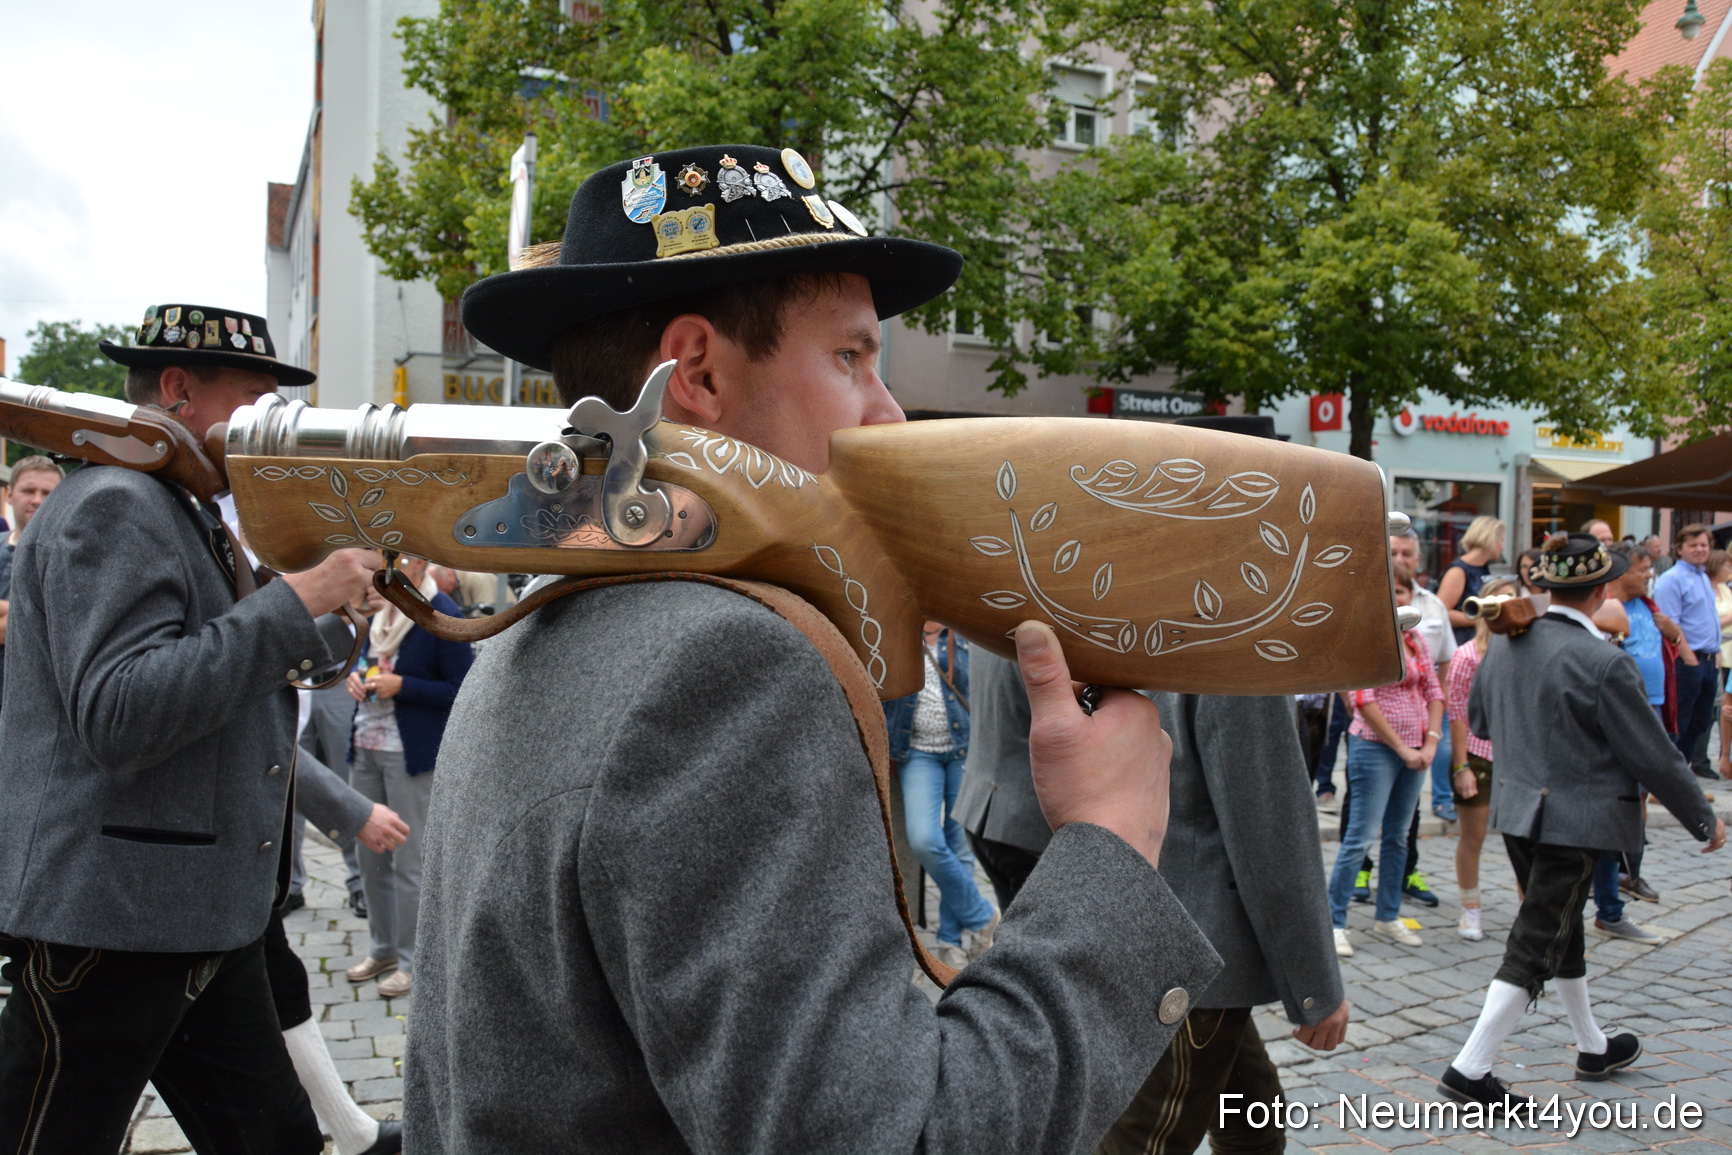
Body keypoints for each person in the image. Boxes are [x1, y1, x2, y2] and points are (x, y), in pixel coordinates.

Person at [404, 144, 1220, 1150]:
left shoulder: (546, 620)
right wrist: (1110, 841)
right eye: (850, 357)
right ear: (695, 371)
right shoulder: (721, 667)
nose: (889, 410)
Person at [0, 304, 380, 1150]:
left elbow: (233, 667)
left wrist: (338, 613)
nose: (273, 426)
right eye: (255, 400)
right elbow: (122, 711)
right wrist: (297, 597)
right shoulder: (116, 503)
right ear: (178, 390)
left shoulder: (182, 505)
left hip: (202, 915)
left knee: (276, 1138)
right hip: (116, 918)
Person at [1095, 413, 1350, 1155]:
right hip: (1191, 944)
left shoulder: (1119, 600)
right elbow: (1268, 830)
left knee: (1253, 1116)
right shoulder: (1235, 633)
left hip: (1146, 919)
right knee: (1147, 1138)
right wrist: (1314, 983)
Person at [1441, 533, 1724, 1107]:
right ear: (1600, 591)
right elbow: (1653, 755)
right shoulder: (1602, 660)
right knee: (1537, 940)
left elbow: (1481, 722)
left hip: (1519, 809)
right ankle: (1470, 1069)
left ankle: (1592, 1045)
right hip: (1576, 821)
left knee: (1560, 932)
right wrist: (1703, 818)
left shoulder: (1505, 645)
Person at [344, 556, 472, 1000]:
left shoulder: (443, 616)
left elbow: (463, 692)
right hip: (367, 746)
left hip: (410, 755)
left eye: (395, 561)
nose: (386, 571)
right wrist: (357, 681)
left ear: (419, 564)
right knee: (368, 857)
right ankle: (380, 948)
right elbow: (366, 664)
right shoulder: (383, 611)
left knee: (407, 862)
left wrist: (405, 687)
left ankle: (412, 961)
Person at [1327, 575, 1443, 956]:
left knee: (1398, 835)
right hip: (1376, 748)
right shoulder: (1371, 640)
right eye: (1393, 595)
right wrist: (1403, 749)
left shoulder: (1417, 640)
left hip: (1417, 748)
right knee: (1360, 835)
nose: (1401, 602)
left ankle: (1387, 914)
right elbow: (1363, 698)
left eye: (1406, 595)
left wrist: (1430, 741)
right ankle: (1335, 920)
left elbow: (1434, 692)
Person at [883, 621, 997, 969]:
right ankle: (981, 917)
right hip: (917, 753)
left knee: (959, 845)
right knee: (924, 839)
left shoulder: (963, 635)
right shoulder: (894, 637)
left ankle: (950, 942)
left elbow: (983, 690)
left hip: (963, 751)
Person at [1445, 575, 1516, 941]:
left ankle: (1529, 908)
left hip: (1518, 757)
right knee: (1473, 838)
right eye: (1500, 600)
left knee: (1524, 841)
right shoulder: (1468, 655)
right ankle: (1470, 908)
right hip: (1479, 752)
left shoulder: (1526, 651)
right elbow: (1457, 711)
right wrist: (1462, 766)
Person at [1654, 524, 1720, 781]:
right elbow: (1670, 623)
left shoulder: (1702, 577)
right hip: (1687, 661)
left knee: (1700, 723)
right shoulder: (1672, 579)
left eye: (1704, 544)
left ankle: (1682, 778)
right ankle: (1668, 781)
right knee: (1679, 723)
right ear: (1680, 549)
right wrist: (1690, 660)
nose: (1700, 549)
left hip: (1707, 662)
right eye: (1693, 545)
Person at [0, 455, 63, 709]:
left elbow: (63, 629)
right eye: (28, 490)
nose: (37, 500)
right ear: (9, 493)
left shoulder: (70, 558)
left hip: (35, 708)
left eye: (47, 492)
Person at [1437, 515, 1506, 644]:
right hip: (1462, 642)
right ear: (1490, 538)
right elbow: (1442, 612)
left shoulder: (1484, 568)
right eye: (1500, 540)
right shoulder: (1458, 571)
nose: (1502, 547)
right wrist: (1481, 620)